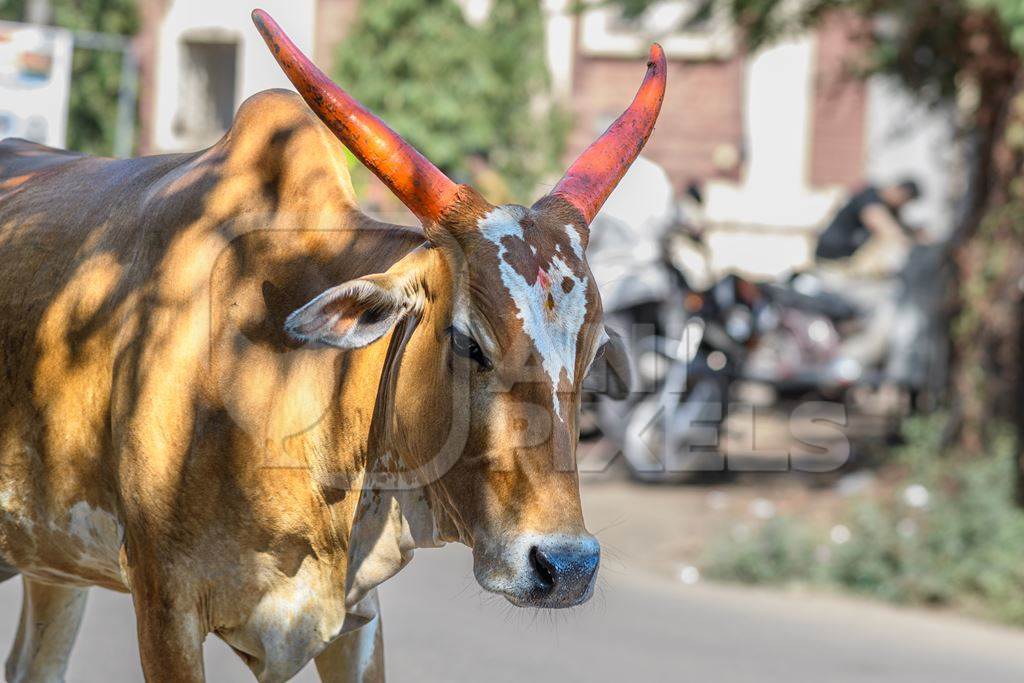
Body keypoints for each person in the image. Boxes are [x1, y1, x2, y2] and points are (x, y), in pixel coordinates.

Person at [816, 179, 923, 264]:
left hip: (847, 257)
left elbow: (901, 226)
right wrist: (903, 241)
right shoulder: (870, 194)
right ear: (900, 192)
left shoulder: (891, 209)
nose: (901, 206)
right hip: (830, 254)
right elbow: (877, 220)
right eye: (903, 201)